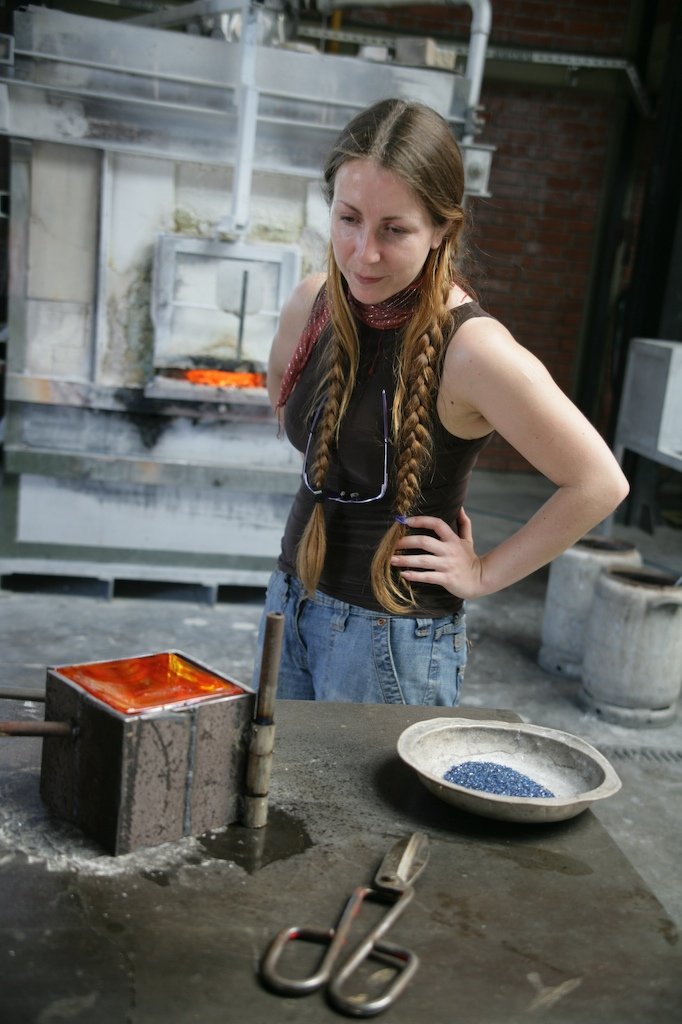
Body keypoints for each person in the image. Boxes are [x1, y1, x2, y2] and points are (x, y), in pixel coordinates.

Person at [252, 97, 629, 705]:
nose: (363, 252)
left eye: (394, 230)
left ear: (441, 231)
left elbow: (598, 482)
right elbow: (281, 391)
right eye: (348, 219)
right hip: (287, 605)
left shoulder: (475, 351)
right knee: (274, 795)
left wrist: (483, 573)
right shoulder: (313, 301)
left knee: (365, 806)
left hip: (389, 641)